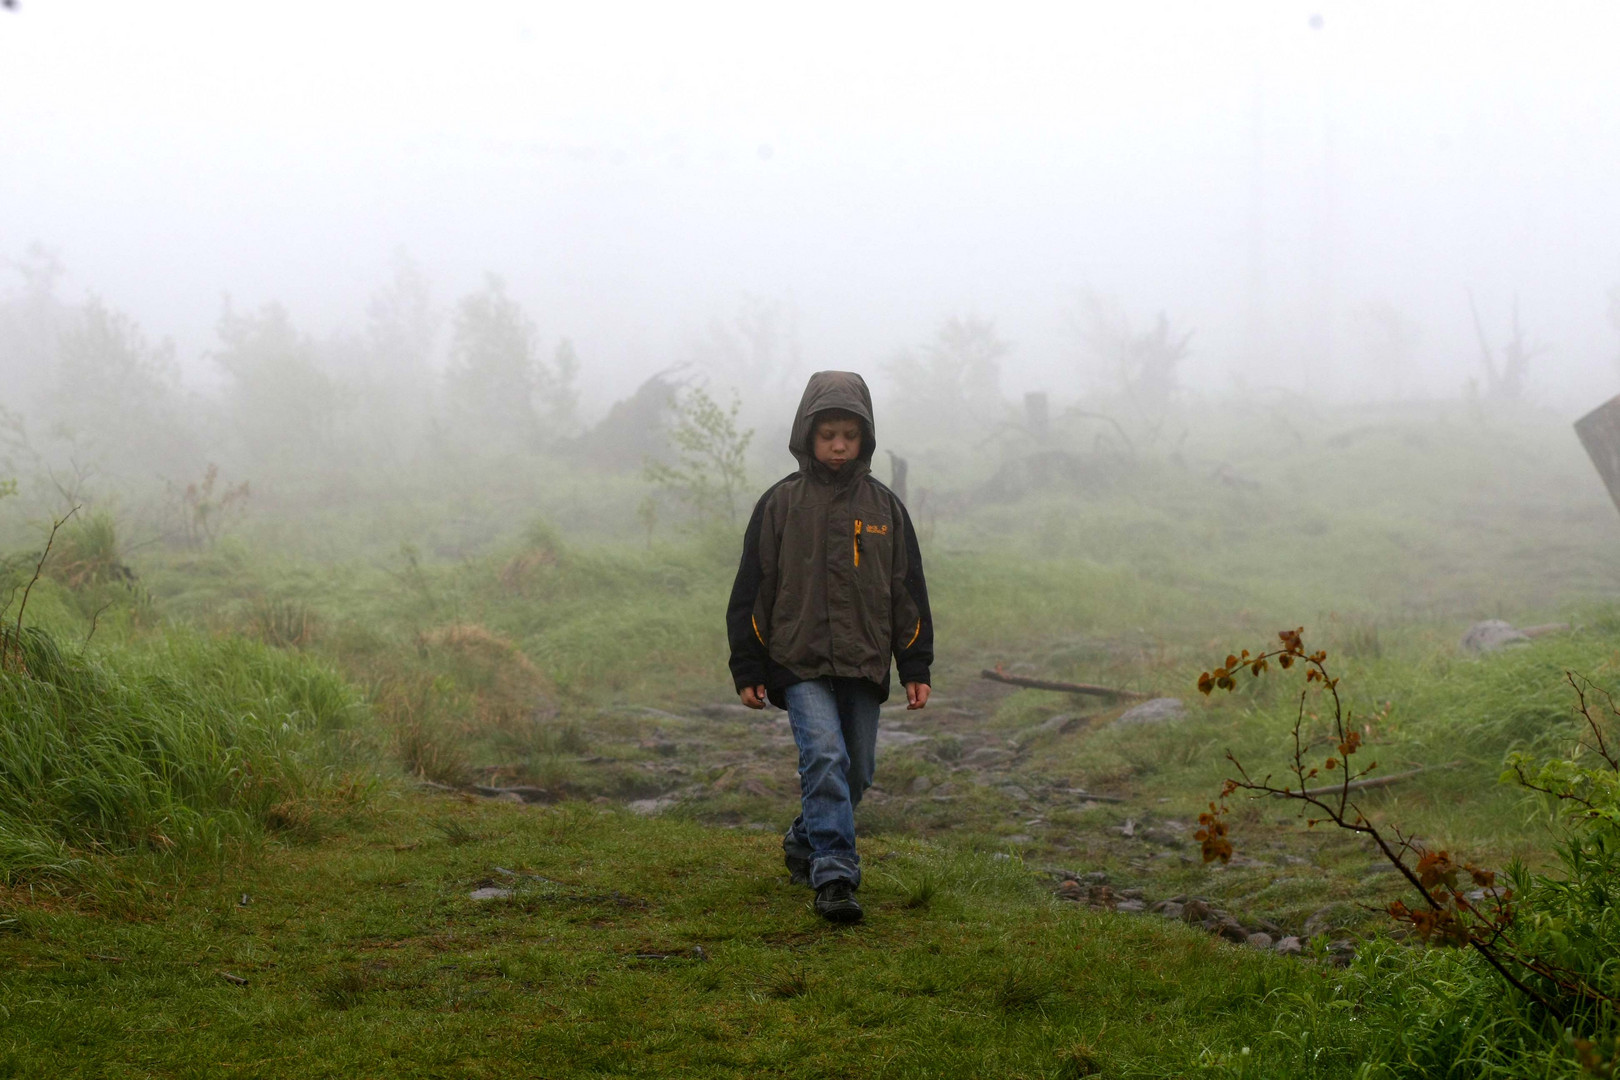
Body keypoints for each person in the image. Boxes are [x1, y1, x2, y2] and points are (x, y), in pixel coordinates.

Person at [727, 370, 933, 924]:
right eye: (827, 435)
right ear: (806, 436)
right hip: (797, 660)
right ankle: (835, 874)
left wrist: (915, 664)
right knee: (824, 756)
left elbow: (907, 592)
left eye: (849, 434)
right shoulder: (780, 504)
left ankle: (805, 837)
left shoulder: (885, 507)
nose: (838, 445)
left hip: (864, 660)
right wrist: (748, 663)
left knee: (857, 770)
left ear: (865, 437)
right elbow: (752, 589)